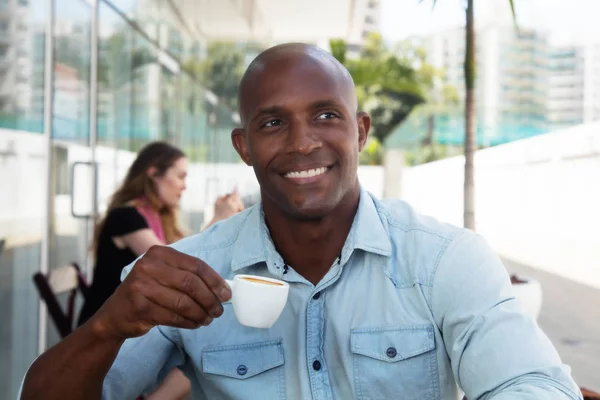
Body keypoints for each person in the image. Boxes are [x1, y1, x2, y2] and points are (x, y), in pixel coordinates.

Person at [21, 44, 583, 400]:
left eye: (325, 115)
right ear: (243, 146)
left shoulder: (443, 259)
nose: (302, 142)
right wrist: (107, 326)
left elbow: (527, 382)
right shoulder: (191, 269)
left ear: (360, 131)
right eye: (272, 123)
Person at [75, 141, 244, 400]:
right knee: (204, 351)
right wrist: (219, 219)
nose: (184, 185)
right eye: (180, 176)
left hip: (137, 326)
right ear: (153, 173)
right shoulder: (126, 216)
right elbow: (170, 266)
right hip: (109, 331)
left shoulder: (156, 216)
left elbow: (185, 251)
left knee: (205, 345)